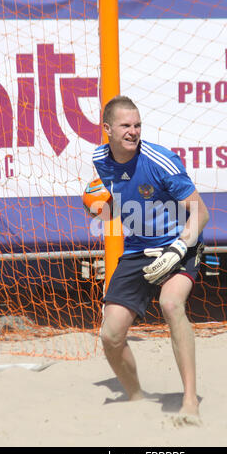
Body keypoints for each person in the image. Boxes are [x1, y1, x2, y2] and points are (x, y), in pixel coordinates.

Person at [92, 95, 209, 426]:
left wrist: (178, 249)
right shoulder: (100, 159)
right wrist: (99, 209)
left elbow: (201, 212)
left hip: (179, 244)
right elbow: (118, 203)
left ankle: (190, 402)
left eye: (138, 125)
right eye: (126, 125)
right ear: (107, 130)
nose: (133, 131)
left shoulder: (160, 160)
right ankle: (136, 398)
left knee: (171, 305)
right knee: (110, 335)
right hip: (136, 249)